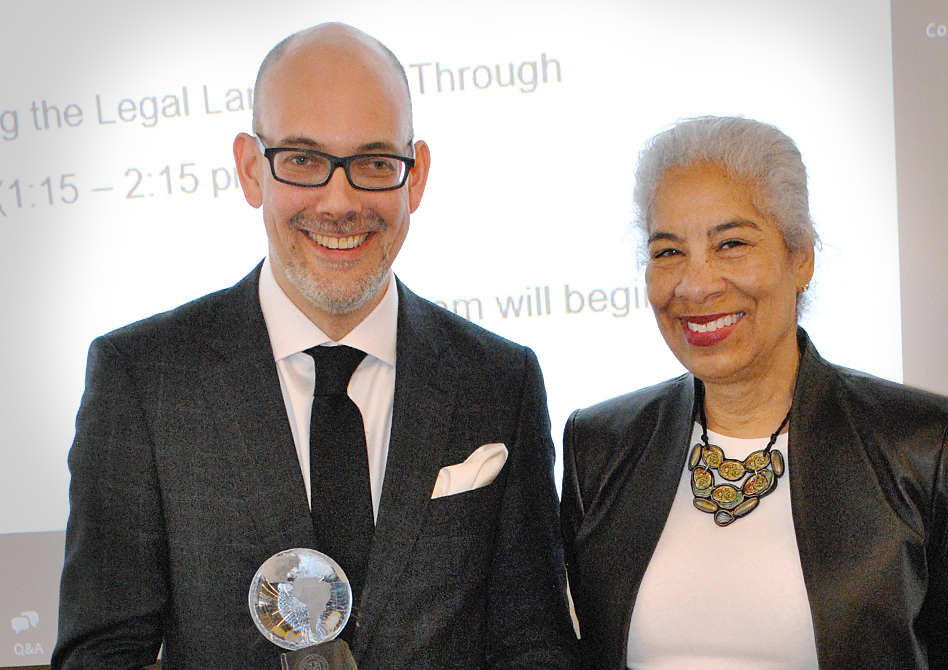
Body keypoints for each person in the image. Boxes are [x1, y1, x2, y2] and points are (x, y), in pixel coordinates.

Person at [53, 23, 578, 670]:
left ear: (415, 180)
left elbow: (535, 645)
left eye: (374, 163)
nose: (340, 200)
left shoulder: (500, 379)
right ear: (251, 169)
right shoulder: (143, 379)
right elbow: (104, 654)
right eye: (302, 160)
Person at [560, 116, 948, 669]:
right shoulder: (600, 447)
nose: (696, 285)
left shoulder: (924, 445)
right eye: (669, 252)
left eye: (732, 243)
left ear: (802, 258)